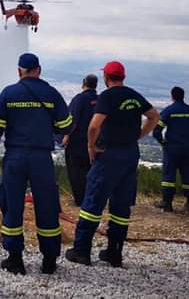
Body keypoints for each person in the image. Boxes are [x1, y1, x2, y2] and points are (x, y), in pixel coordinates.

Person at [0, 53, 72, 276]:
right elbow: (66, 125)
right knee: (47, 207)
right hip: (42, 158)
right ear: (39, 70)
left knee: (12, 207)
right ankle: (49, 261)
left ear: (19, 71)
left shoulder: (9, 93)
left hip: (15, 157)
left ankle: (15, 260)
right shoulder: (51, 93)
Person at [66, 61, 161, 268]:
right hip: (130, 154)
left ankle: (81, 251)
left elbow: (93, 126)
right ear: (123, 77)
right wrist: (140, 134)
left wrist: (91, 146)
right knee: (121, 205)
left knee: (92, 203)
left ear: (106, 78)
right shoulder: (134, 95)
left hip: (108, 154)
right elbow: (154, 116)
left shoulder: (106, 97)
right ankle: (114, 253)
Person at [152, 86, 189, 213]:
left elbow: (156, 131)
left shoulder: (169, 111)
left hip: (172, 149)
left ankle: (167, 203)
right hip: (188, 149)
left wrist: (162, 142)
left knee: (169, 176)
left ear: (172, 96)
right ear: (183, 96)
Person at [64, 74, 98, 206]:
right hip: (95, 142)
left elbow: (71, 120)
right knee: (92, 170)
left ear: (83, 84)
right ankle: (92, 197)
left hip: (77, 142)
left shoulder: (78, 99)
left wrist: (66, 136)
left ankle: (80, 200)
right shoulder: (100, 99)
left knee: (76, 171)